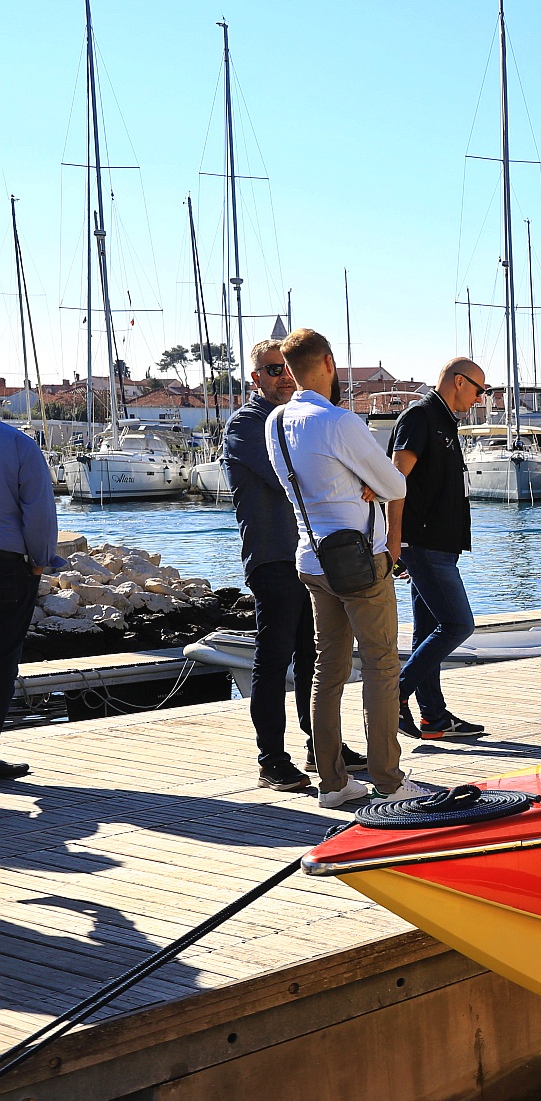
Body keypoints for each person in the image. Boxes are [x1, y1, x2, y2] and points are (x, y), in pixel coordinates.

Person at [266, 327, 428, 807]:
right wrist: (371, 483)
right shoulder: (340, 422)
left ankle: (333, 783)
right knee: (381, 665)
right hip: (359, 560)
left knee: (327, 668)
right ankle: (389, 780)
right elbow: (396, 485)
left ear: (289, 369)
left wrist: (367, 481)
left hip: (311, 557)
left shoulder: (275, 422)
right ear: (329, 363)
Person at [222, 339, 360, 791]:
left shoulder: (297, 420)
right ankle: (271, 760)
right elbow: (298, 476)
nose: (283, 376)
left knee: (312, 659)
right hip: (273, 558)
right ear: (254, 378)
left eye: (287, 368)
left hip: (309, 556)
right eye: (272, 369)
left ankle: (322, 747)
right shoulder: (247, 425)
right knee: (273, 658)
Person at [391, 359, 489, 740]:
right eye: (479, 390)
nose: (480, 399)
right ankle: (396, 693)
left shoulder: (447, 422)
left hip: (439, 546)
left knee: (428, 631)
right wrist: (394, 542)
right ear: (459, 382)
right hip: (423, 545)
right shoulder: (420, 417)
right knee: (458, 624)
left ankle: (433, 717)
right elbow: (395, 480)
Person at [1, 417, 65, 782]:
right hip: (6, 566)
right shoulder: (18, 444)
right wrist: (41, 561)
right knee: (2, 661)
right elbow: (39, 513)